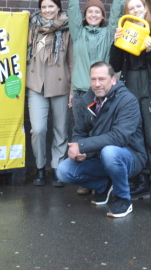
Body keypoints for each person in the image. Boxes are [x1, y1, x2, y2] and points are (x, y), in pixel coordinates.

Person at [62, 0, 140, 192]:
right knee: (82, 132)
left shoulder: (108, 34)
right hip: (81, 94)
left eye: (97, 12)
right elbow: (73, 8)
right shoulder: (78, 33)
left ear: (102, 16)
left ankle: (104, 177)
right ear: (85, 17)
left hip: (105, 95)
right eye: (90, 12)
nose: (93, 14)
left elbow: (117, 11)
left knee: (104, 136)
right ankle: (86, 179)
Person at [56, 62, 146, 218]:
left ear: (113, 80)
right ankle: (103, 186)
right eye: (93, 79)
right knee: (63, 171)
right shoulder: (87, 99)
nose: (97, 84)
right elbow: (79, 131)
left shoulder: (128, 101)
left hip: (130, 156)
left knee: (110, 152)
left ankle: (123, 200)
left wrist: (83, 146)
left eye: (102, 79)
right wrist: (79, 151)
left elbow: (119, 137)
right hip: (98, 155)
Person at [110, 0, 151, 211]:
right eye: (131, 7)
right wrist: (116, 43)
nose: (135, 10)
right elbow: (115, 66)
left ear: (145, 8)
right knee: (133, 139)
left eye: (139, 6)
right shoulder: (126, 31)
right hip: (130, 90)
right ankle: (140, 182)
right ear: (126, 12)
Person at [25, 0, 72, 186]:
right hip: (36, 84)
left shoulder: (68, 28)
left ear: (58, 7)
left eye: (51, 6)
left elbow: (72, 60)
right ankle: (40, 167)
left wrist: (72, 90)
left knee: (61, 129)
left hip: (60, 84)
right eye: (43, 7)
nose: (47, 10)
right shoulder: (32, 26)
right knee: (38, 129)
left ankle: (57, 168)